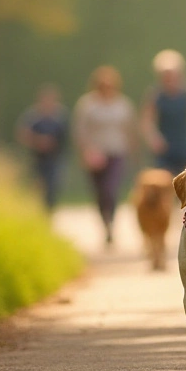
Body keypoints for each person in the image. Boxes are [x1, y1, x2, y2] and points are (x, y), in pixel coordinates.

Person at [74, 65, 136, 245]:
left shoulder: (123, 104)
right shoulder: (87, 105)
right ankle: (105, 224)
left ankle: (112, 222)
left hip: (117, 152)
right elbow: (80, 130)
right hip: (95, 154)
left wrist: (132, 151)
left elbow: (129, 129)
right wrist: (85, 151)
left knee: (111, 189)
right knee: (100, 192)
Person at [14, 83, 70, 211]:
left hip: (56, 158)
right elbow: (22, 134)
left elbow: (66, 138)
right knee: (38, 186)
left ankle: (49, 209)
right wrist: (38, 141)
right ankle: (39, 210)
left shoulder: (61, 116)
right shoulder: (32, 116)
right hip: (37, 158)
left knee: (54, 185)